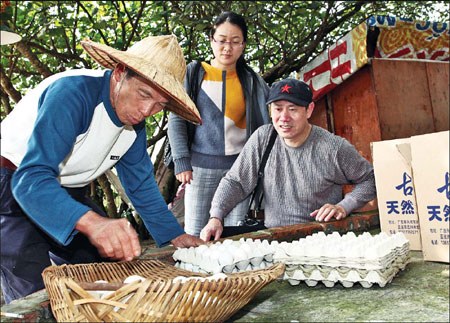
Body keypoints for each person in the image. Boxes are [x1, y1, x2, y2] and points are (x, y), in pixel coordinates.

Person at [0, 34, 205, 303]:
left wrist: (174, 235)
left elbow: (140, 184)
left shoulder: (134, 126)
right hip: (12, 186)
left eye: (159, 105)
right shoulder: (73, 94)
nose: (146, 110)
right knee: (36, 294)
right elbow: (31, 179)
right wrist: (93, 223)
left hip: (63, 192)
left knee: (103, 269)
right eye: (144, 94)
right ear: (120, 73)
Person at [200, 78, 377, 241]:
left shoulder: (333, 147)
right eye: (277, 109)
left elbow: (371, 179)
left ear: (309, 110)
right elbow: (236, 182)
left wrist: (344, 206)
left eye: (293, 109)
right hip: (273, 237)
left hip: (320, 239)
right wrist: (216, 217)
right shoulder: (263, 138)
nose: (284, 118)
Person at [168, 11, 270, 237]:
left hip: (240, 169)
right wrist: (181, 161)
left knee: (234, 235)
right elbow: (175, 117)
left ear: (243, 45)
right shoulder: (194, 74)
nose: (227, 48)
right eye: (222, 41)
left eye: (235, 42)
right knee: (195, 234)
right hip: (198, 169)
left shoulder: (253, 81)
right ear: (211, 40)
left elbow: (268, 123)